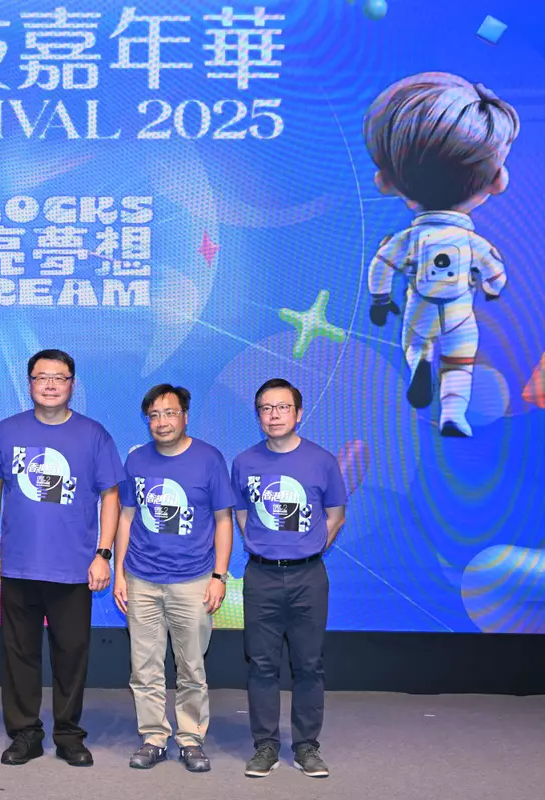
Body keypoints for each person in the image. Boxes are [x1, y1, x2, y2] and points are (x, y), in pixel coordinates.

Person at [0, 349, 124, 767]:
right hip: (19, 565)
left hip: (74, 568)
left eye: (59, 378)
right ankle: (25, 734)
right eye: (41, 377)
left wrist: (103, 553)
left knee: (71, 654)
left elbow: (111, 497)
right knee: (18, 655)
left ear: (72, 385)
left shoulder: (93, 435)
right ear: (29, 383)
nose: (49, 385)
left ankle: (68, 735)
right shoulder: (6, 432)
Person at [363, 72, 519, 437]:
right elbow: (495, 272)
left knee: (416, 341)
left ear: (384, 181)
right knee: (460, 361)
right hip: (460, 308)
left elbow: (382, 265)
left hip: (420, 304)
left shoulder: (407, 239)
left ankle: (420, 361)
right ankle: (453, 414)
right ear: (498, 179)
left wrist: (380, 299)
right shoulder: (474, 243)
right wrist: (493, 288)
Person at [113, 384, 234, 772]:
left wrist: (219, 575)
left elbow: (223, 520)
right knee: (144, 667)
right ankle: (153, 737)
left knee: (191, 667)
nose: (161, 422)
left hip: (193, 580)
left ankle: (190, 739)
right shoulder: (136, 460)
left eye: (169, 413)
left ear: (185, 416)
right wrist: (119, 574)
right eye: (154, 415)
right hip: (141, 579)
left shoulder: (209, 459)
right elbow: (126, 517)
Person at [233, 379, 347, 779]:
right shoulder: (244, 462)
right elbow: (242, 513)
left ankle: (306, 746)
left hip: (308, 577)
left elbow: (336, 514)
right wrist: (264, 546)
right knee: (262, 664)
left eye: (282, 407)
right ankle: (265, 745)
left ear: (298, 413)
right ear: (258, 416)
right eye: (266, 408)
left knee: (309, 665)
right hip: (261, 576)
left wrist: (308, 548)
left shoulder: (322, 461)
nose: (274, 415)